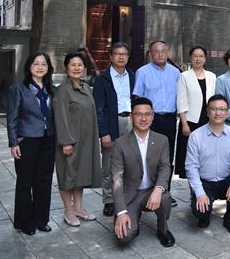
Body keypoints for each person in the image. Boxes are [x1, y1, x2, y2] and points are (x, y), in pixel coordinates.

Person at [111, 97, 175, 247]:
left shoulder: (162, 140)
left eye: (147, 114)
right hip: (130, 195)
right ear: (131, 116)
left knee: (165, 197)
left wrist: (158, 189)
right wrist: (121, 212)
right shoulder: (120, 144)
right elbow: (116, 180)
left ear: (153, 116)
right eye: (139, 114)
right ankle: (134, 217)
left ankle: (163, 229)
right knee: (123, 237)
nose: (144, 118)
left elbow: (165, 166)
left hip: (151, 191)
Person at [7, 51, 56, 235]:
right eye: (36, 63)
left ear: (48, 68)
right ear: (29, 66)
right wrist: (13, 143)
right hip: (27, 140)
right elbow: (12, 118)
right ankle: (24, 221)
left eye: (44, 64)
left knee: (43, 181)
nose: (40, 67)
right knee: (25, 182)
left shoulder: (51, 88)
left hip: (48, 139)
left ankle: (41, 219)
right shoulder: (18, 89)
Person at [185, 95, 230, 236]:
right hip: (205, 182)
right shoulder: (196, 136)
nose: (218, 113)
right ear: (207, 112)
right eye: (213, 109)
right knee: (200, 211)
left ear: (227, 112)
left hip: (226, 181)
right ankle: (204, 215)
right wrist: (199, 193)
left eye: (222, 109)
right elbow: (191, 167)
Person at [54, 51, 101, 227]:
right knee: (68, 175)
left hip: (86, 140)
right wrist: (66, 141)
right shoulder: (63, 90)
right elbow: (61, 117)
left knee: (80, 174)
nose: (77, 68)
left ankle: (79, 208)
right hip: (70, 142)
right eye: (73, 65)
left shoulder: (85, 87)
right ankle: (68, 211)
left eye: (80, 65)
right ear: (66, 68)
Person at [133, 40, 180, 204]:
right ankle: (147, 191)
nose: (160, 54)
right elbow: (138, 97)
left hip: (169, 120)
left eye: (163, 51)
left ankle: (165, 191)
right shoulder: (142, 72)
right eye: (156, 51)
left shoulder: (176, 73)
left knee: (167, 156)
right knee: (149, 155)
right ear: (150, 54)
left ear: (167, 53)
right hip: (150, 120)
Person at [93, 42, 135, 217]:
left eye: (124, 54)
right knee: (110, 164)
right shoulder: (103, 79)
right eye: (117, 54)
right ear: (111, 57)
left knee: (131, 161)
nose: (121, 57)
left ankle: (126, 196)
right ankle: (109, 200)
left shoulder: (132, 76)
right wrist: (104, 132)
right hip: (113, 122)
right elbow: (99, 108)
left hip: (131, 121)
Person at [175, 45, 216, 179]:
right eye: (195, 56)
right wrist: (184, 123)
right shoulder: (184, 76)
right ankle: (193, 192)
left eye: (201, 56)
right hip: (190, 121)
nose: (198, 59)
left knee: (205, 155)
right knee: (190, 156)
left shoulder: (212, 76)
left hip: (208, 120)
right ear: (190, 58)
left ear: (205, 58)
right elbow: (181, 101)